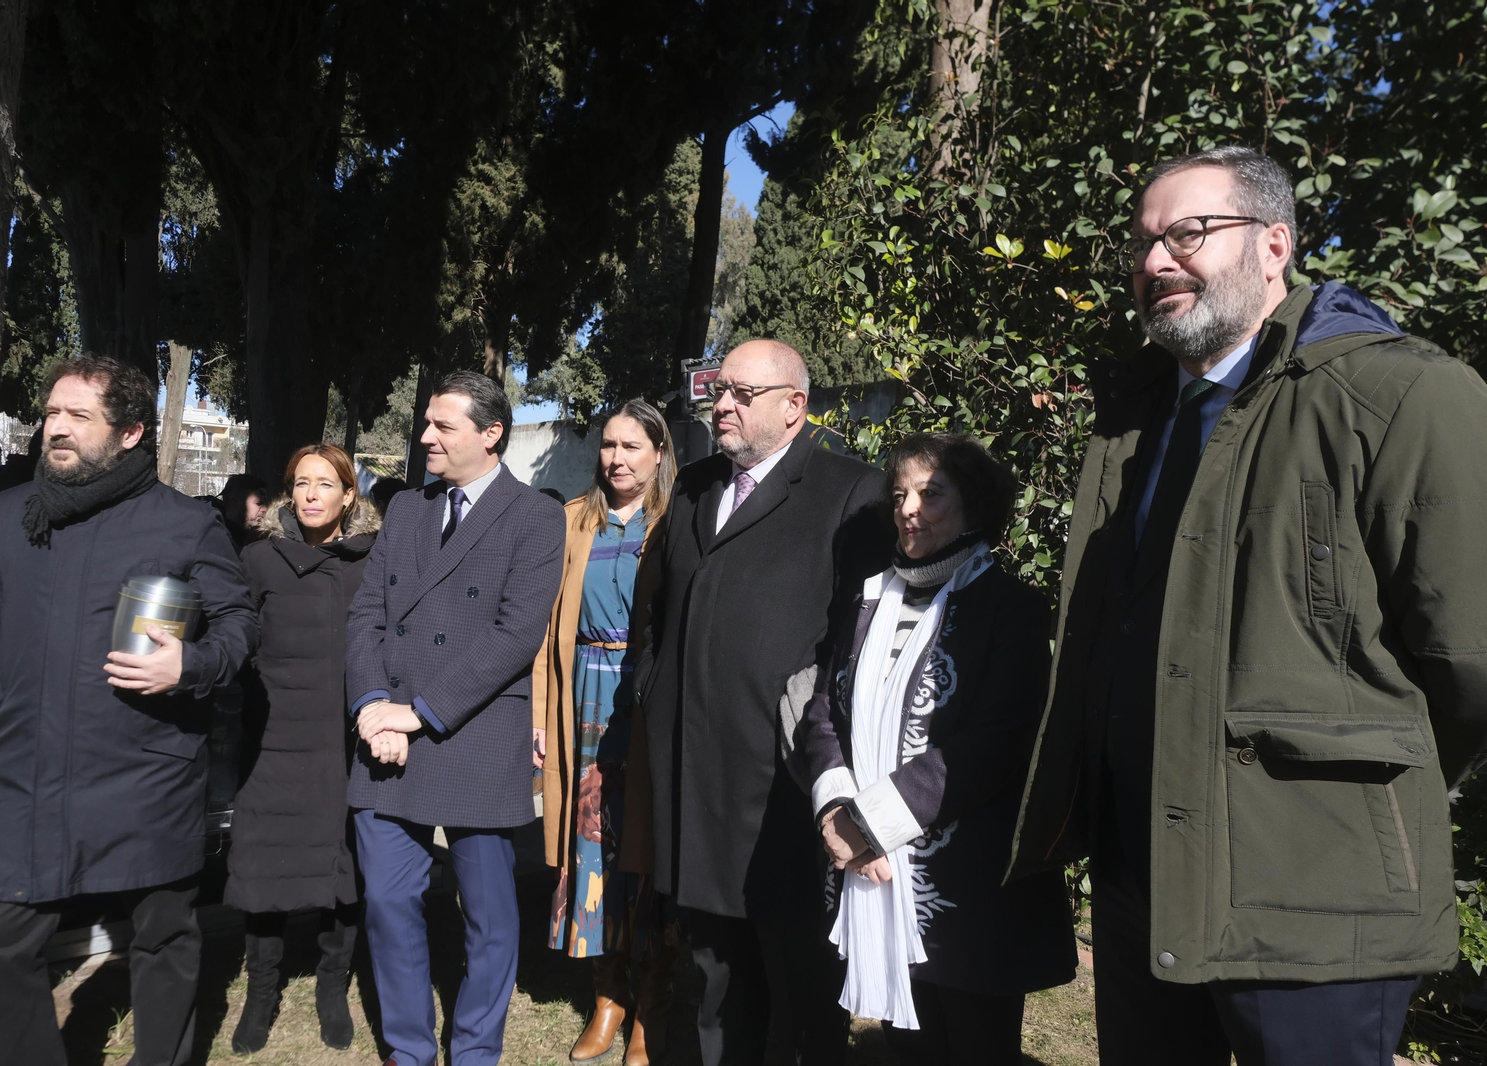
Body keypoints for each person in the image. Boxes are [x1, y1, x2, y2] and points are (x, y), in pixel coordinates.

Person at [1009, 146, 1487, 1065]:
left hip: (1315, 889)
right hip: (1146, 880)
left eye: (1187, 232)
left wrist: (1361, 793)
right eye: (1144, 242)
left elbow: (1468, 663)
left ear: (1275, 244)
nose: (1156, 261)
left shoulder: (1399, 394)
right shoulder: (1133, 424)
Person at [0, 354, 259, 1066]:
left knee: (163, 939)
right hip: (20, 767)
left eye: (76, 417)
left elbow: (240, 627)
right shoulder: (9, 515)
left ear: (129, 433)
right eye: (51, 414)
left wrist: (190, 665)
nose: (55, 429)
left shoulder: (186, 524)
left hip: (143, 769)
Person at [634, 339, 891, 1066]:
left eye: (742, 394)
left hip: (787, 802)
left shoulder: (852, 493)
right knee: (714, 991)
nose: (721, 404)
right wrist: (650, 690)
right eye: (719, 390)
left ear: (794, 406)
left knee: (803, 1002)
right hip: (693, 792)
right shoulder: (692, 487)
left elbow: (862, 649)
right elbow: (655, 612)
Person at [802, 433, 1076, 1065]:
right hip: (872, 875)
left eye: (931, 493)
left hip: (970, 889)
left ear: (974, 505)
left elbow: (995, 743)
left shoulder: (1012, 608)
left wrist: (869, 825)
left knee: (976, 1045)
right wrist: (835, 809)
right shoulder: (869, 601)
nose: (908, 508)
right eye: (900, 494)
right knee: (907, 1048)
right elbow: (825, 710)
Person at [347, 371, 565, 1066]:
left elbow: (514, 636)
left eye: (443, 425)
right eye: (429, 423)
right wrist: (372, 707)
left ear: (490, 433)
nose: (425, 436)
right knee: (385, 902)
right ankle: (407, 1050)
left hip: (472, 735)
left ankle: (474, 1049)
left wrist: (419, 713)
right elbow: (366, 617)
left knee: (491, 917)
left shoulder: (535, 517)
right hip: (387, 738)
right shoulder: (407, 509)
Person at [532, 400, 678, 1066]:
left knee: (643, 851)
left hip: (646, 700)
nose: (617, 458)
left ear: (658, 453)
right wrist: (539, 714)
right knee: (586, 849)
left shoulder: (676, 524)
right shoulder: (570, 522)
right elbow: (541, 631)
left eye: (631, 446)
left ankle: (649, 1007)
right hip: (580, 697)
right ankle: (607, 997)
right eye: (609, 446)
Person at [225, 444, 381, 1053]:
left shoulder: (371, 562)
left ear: (349, 494)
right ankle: (260, 994)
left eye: (326, 483)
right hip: (273, 738)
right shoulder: (259, 559)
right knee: (263, 866)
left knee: (340, 869)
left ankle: (331, 990)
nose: (311, 493)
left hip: (342, 739)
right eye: (301, 483)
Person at [220, 472, 270, 549]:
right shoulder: (218, 541)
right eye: (259, 503)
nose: (266, 509)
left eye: (267, 504)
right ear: (235, 502)